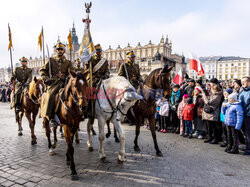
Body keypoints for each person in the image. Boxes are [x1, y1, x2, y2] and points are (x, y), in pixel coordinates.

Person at [40, 42, 72, 126]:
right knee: (50, 96)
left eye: (61, 49)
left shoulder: (68, 62)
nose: (59, 51)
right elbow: (42, 70)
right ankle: (51, 117)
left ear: (64, 51)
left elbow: (72, 72)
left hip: (65, 82)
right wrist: (46, 79)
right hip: (54, 83)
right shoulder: (51, 60)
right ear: (56, 51)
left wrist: (69, 77)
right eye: (58, 50)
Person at [85, 44, 110, 119]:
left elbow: (107, 71)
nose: (99, 52)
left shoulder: (104, 61)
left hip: (102, 79)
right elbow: (88, 70)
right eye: (97, 51)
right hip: (93, 79)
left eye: (100, 51)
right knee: (91, 93)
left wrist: (106, 75)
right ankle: (88, 110)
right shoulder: (91, 59)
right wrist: (87, 64)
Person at [239, 76, 250, 155]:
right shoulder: (242, 90)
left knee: (248, 133)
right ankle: (247, 146)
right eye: (241, 81)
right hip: (242, 115)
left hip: (248, 115)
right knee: (245, 132)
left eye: (244, 81)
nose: (242, 83)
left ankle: (249, 149)